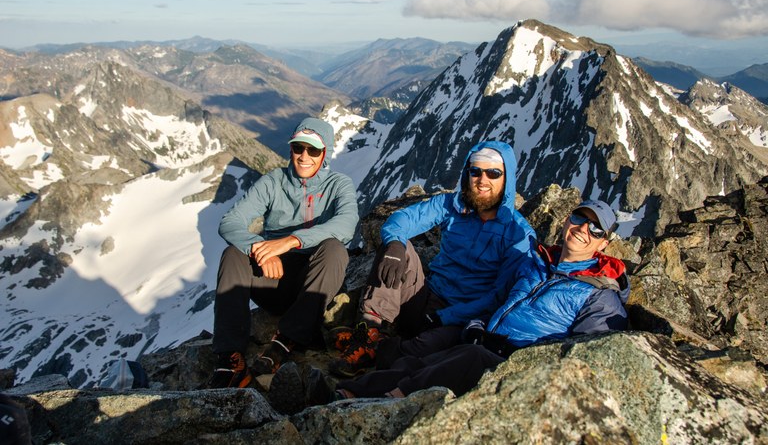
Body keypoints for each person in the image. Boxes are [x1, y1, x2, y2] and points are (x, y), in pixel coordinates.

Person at [318, 199, 629, 401]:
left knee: (464, 361)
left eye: (595, 228)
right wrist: (479, 323)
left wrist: (521, 356)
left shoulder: (601, 295)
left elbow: (590, 355)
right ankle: (346, 394)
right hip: (486, 341)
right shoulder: (536, 261)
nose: (583, 229)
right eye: (579, 218)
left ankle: (387, 403)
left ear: (604, 241)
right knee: (423, 362)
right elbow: (499, 297)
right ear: (567, 220)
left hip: (519, 363)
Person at [329, 141, 536, 377]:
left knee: (424, 349)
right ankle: (370, 333)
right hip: (427, 296)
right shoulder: (453, 205)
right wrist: (395, 243)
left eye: (493, 173)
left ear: (506, 179)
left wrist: (443, 317)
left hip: (461, 317)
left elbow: (499, 296)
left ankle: (382, 351)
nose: (482, 180)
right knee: (399, 249)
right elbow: (403, 219)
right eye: (475, 171)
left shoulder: (518, 234)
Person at [207, 117, 359, 389]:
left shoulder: (339, 184)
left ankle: (285, 341)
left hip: (314, 282)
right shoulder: (273, 182)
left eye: (313, 150)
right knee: (233, 255)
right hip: (273, 277)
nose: (304, 156)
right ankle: (230, 359)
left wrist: (289, 241)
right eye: (298, 148)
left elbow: (346, 225)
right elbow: (230, 222)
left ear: (325, 154)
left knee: (335, 249)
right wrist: (259, 248)